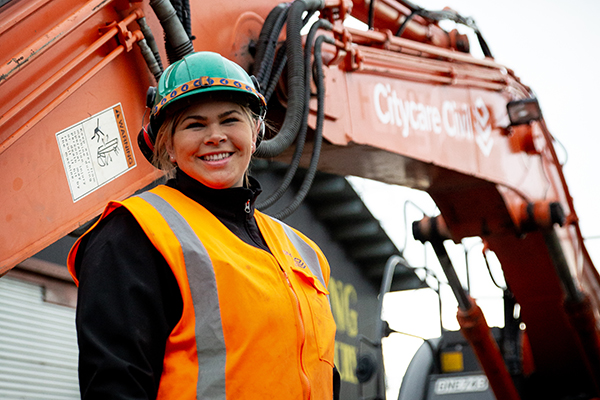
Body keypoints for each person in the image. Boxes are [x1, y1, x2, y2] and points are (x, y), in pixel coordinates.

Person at [67, 51, 338, 399]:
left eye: (230, 120)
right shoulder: (136, 232)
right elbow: (115, 386)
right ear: (166, 144)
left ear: (255, 133)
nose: (215, 136)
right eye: (195, 125)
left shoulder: (304, 251)